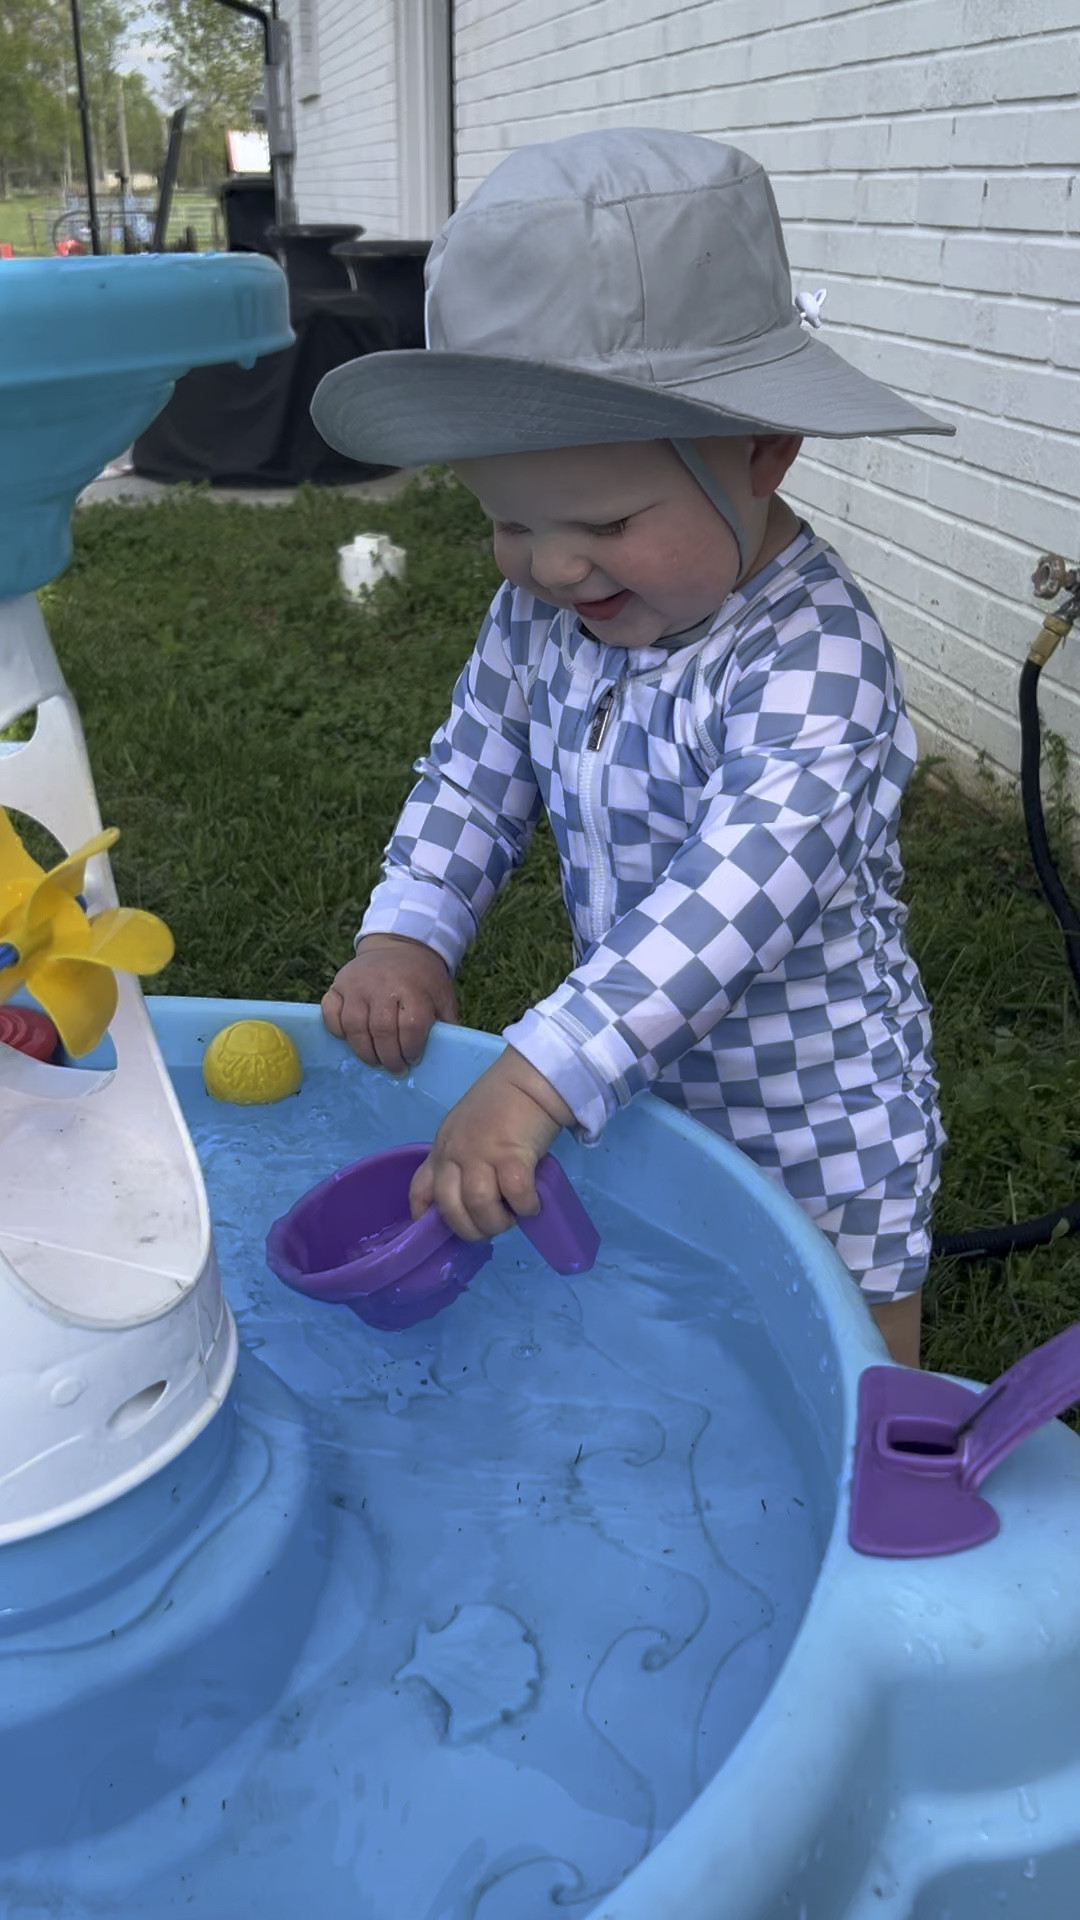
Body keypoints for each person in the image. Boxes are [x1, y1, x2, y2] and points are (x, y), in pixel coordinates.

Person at [311, 128, 949, 1368]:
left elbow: (728, 903)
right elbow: (476, 771)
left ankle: (873, 1511)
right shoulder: (546, 613)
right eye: (508, 521)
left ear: (762, 452)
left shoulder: (814, 661)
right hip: (639, 1084)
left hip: (818, 1118)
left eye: (602, 519)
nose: (550, 566)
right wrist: (410, 925)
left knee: (844, 1363)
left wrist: (540, 1071)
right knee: (684, 1339)